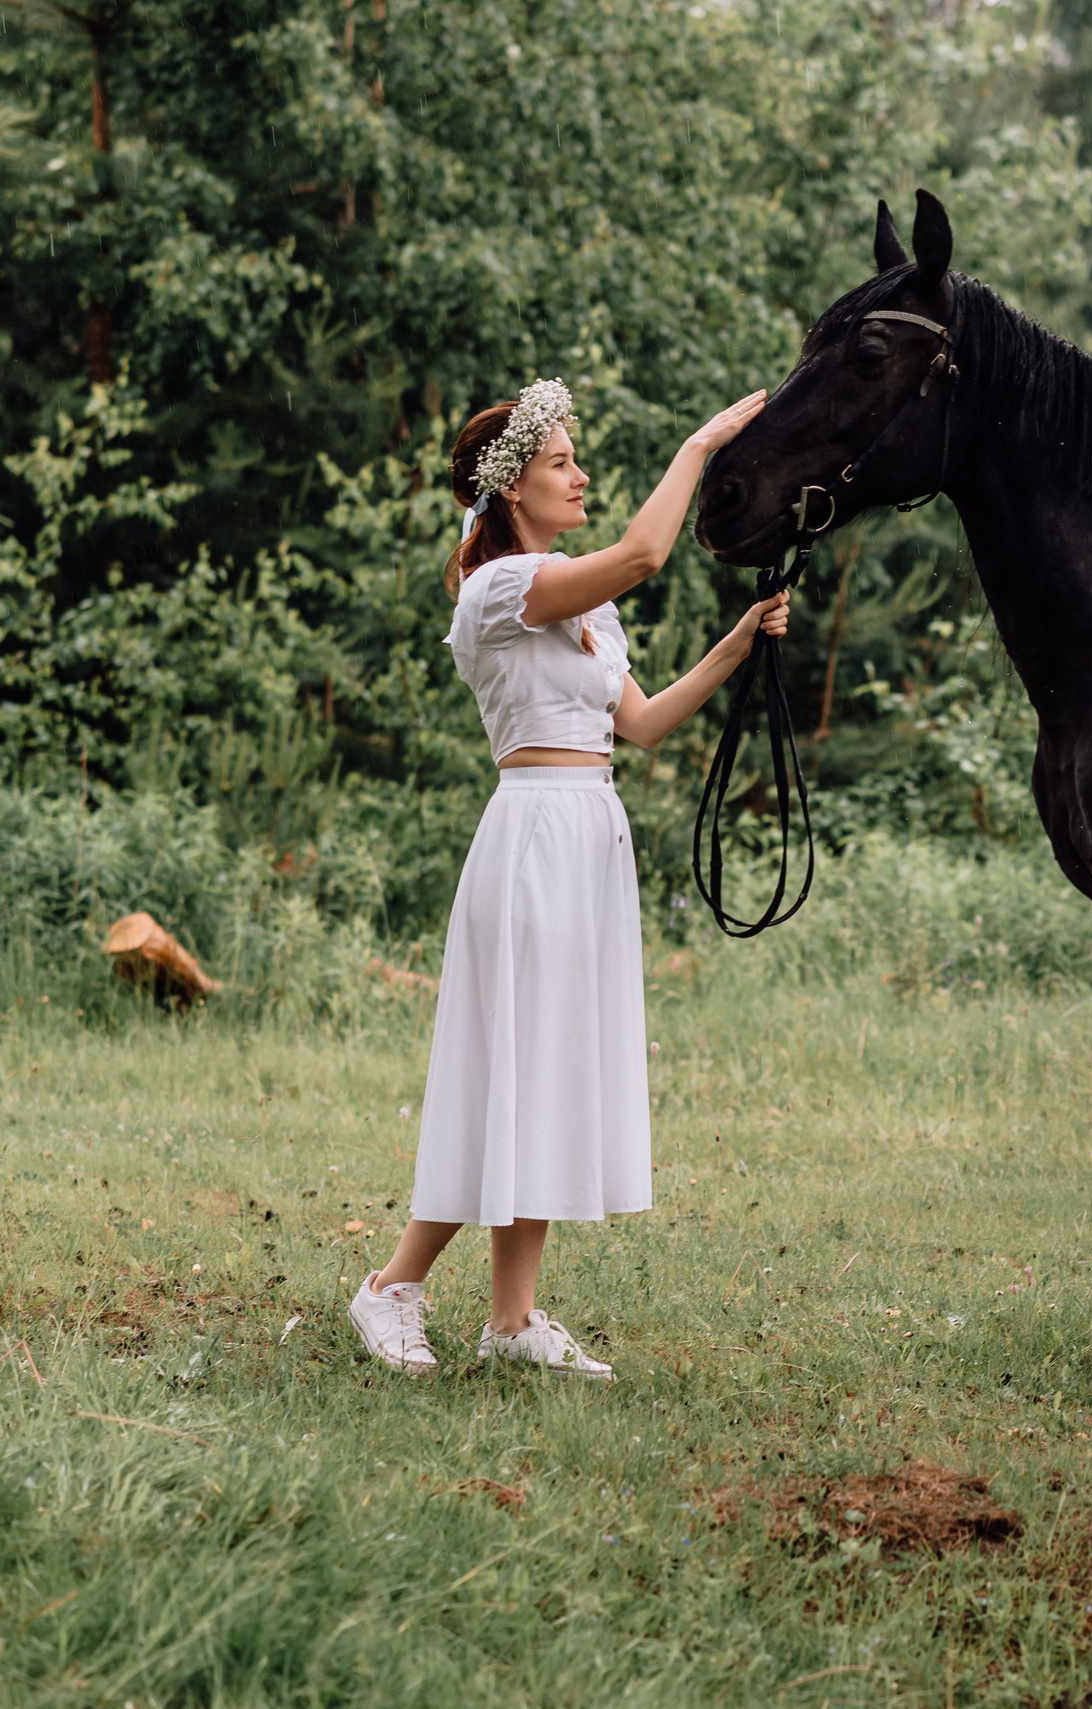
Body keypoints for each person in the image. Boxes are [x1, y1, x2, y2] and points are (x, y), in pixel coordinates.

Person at [347, 377, 780, 1378]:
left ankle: (511, 1318)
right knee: (507, 1066)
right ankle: (390, 1286)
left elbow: (638, 722)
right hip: (532, 833)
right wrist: (703, 442)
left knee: (544, 1071)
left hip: (590, 831)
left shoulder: (580, 605)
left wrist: (736, 642)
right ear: (509, 492)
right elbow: (642, 553)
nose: (580, 475)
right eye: (560, 463)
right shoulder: (501, 589)